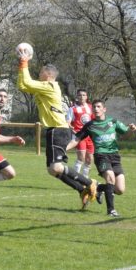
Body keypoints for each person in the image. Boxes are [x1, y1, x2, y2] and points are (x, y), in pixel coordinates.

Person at [16, 52, 98, 208]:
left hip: (59, 130)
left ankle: (89, 182)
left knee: (57, 167)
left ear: (48, 75)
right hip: (53, 130)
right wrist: (21, 65)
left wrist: (24, 61)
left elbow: (27, 81)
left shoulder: (50, 86)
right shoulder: (44, 87)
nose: (39, 74)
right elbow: (22, 85)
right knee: (52, 170)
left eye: (41, 72)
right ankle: (81, 189)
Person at [67, 99, 135, 217]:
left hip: (115, 156)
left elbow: (126, 133)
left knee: (120, 189)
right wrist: (64, 148)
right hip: (101, 156)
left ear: (104, 109)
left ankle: (97, 187)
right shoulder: (90, 125)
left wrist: (131, 130)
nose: (96, 109)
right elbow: (77, 139)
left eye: (99, 107)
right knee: (110, 178)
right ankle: (111, 210)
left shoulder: (113, 122)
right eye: (94, 107)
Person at [66, 89, 94, 178]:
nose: (82, 97)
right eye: (80, 95)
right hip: (79, 136)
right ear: (77, 96)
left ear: (86, 97)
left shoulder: (91, 107)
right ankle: (75, 177)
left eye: (84, 95)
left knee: (89, 160)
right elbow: (68, 122)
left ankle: (85, 178)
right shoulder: (72, 109)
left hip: (90, 136)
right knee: (81, 157)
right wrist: (72, 129)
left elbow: (94, 120)